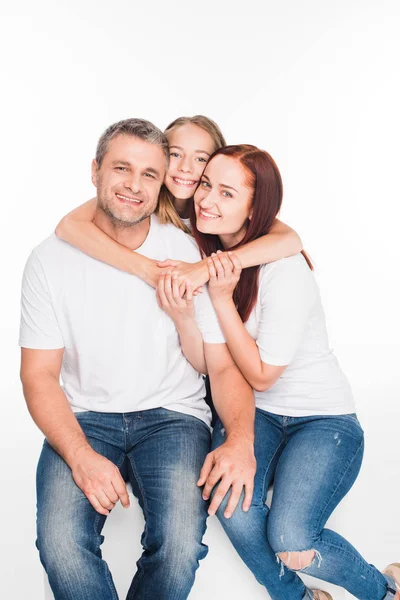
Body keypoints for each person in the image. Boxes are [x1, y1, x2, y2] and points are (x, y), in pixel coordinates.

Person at [19, 119, 259, 600]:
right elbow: (39, 375)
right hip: (86, 418)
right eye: (121, 168)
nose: (134, 184)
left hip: (173, 419)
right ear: (94, 172)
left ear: (163, 182)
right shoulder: (50, 259)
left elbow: (224, 364)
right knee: (61, 546)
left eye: (150, 173)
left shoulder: (189, 249)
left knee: (177, 545)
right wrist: (81, 455)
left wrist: (240, 439)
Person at [187, 144, 399, 600]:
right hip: (256, 416)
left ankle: (387, 590)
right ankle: (299, 599)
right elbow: (216, 364)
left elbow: (263, 375)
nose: (207, 200)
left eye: (227, 193)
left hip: (322, 420)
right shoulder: (205, 261)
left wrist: (222, 300)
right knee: (231, 503)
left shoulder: (284, 270)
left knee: (293, 542)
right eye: (206, 185)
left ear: (253, 209)